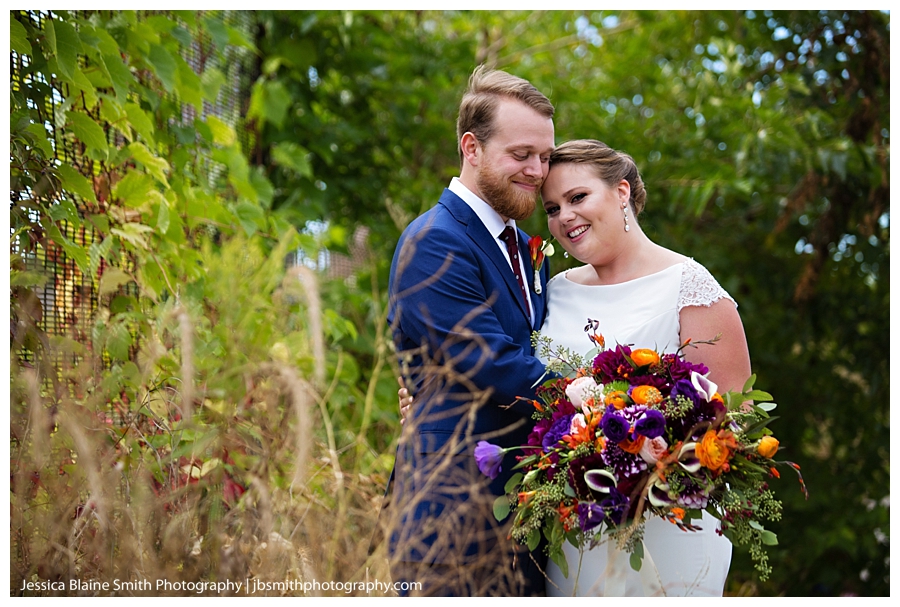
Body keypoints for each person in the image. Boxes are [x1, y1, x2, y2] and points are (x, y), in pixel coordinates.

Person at [400, 139, 750, 596]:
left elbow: (736, 421)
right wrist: (432, 399)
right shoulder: (555, 288)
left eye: (578, 198)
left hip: (667, 525)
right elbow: (509, 371)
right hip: (572, 530)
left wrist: (655, 463)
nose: (564, 216)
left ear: (622, 192)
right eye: (551, 207)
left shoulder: (689, 285)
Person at [383, 66, 555, 596]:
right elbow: (492, 362)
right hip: (451, 516)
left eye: (545, 157)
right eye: (521, 154)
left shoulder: (524, 246)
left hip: (523, 514)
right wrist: (603, 406)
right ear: (471, 147)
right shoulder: (434, 241)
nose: (537, 170)